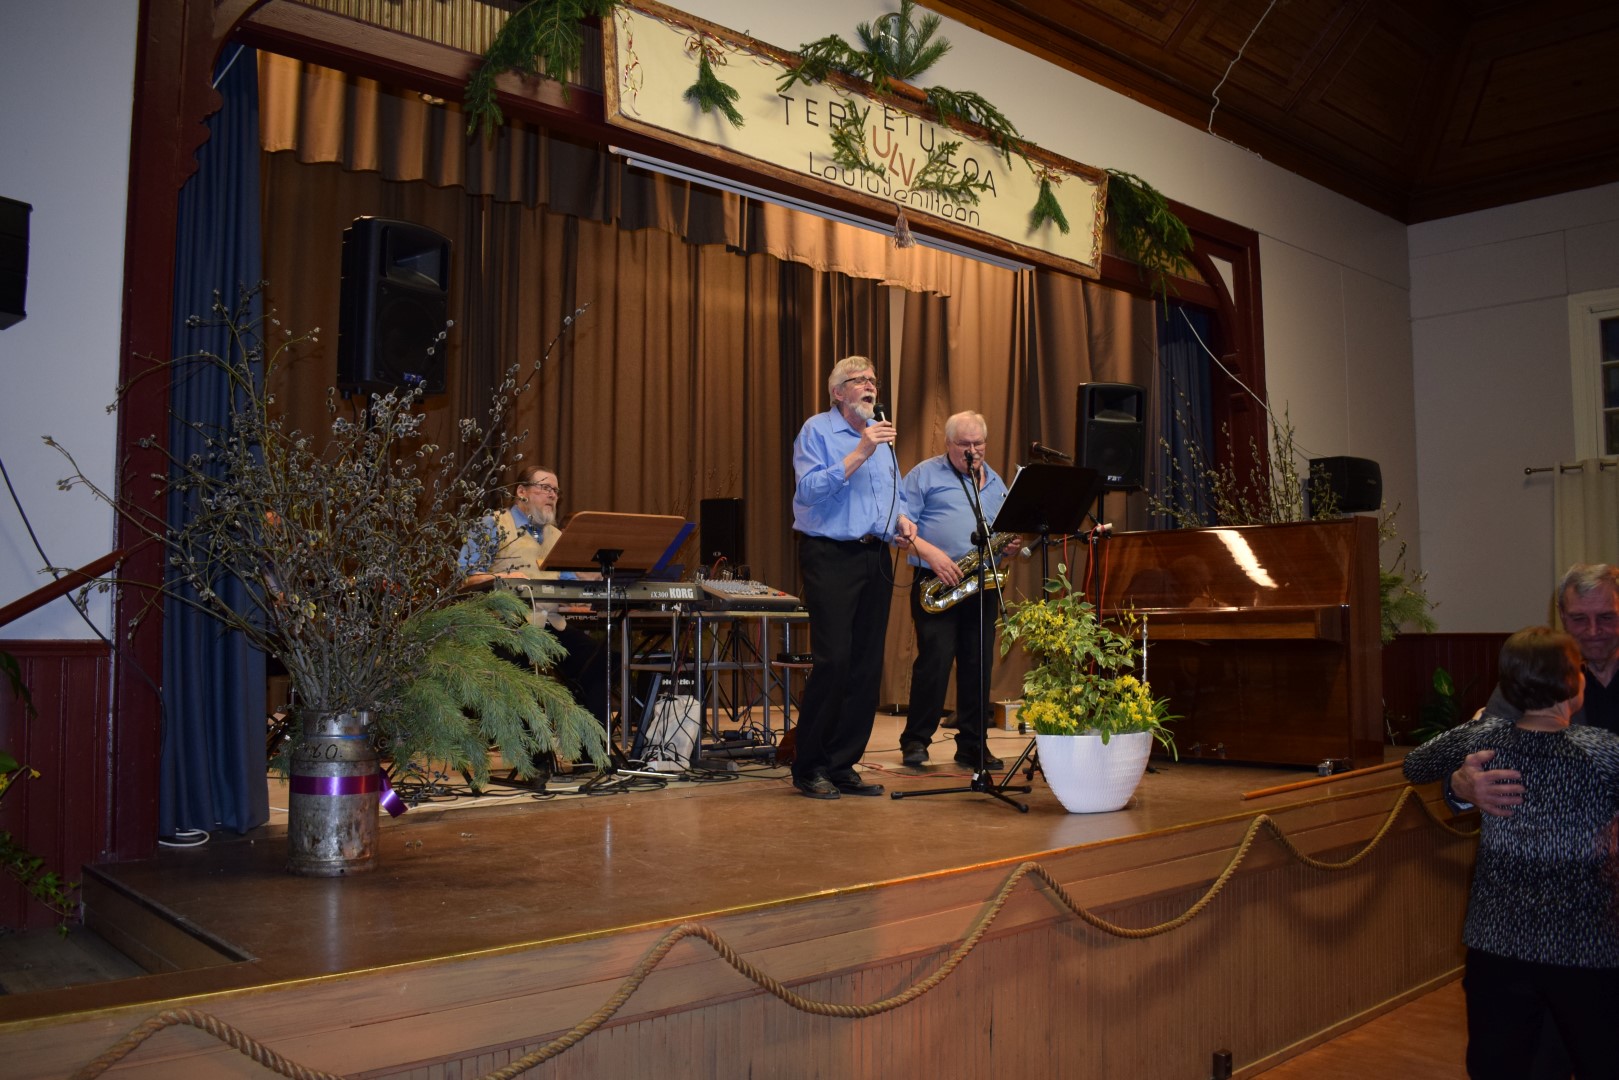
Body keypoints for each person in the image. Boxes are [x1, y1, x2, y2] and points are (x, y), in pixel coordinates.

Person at [1404, 626, 1619, 1079]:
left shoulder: (1488, 738)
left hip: (1496, 942)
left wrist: (1477, 725)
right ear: (1572, 683)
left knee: (1497, 1065)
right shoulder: (1603, 752)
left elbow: (1415, 764)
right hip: (1583, 944)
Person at [789, 355, 917, 800]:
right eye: (859, 380)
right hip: (830, 555)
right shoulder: (817, 431)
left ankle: (842, 764)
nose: (870, 386)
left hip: (875, 555)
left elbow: (894, 492)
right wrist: (861, 451)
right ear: (837, 392)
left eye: (873, 380)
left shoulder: (882, 433)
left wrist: (902, 520)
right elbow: (807, 491)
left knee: (866, 666)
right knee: (834, 661)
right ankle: (809, 766)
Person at [898, 411, 1018, 772]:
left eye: (978, 443)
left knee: (978, 664)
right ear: (948, 443)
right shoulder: (924, 475)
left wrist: (1009, 546)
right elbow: (900, 530)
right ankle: (916, 740)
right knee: (934, 661)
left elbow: (1002, 534)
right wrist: (933, 556)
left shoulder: (996, 482)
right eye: (964, 444)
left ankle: (972, 745)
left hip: (981, 584)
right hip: (936, 581)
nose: (972, 450)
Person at [1447, 564, 1619, 814]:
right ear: (1562, 616)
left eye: (1606, 617)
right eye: (1579, 619)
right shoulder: (1531, 677)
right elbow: (1466, 763)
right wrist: (1461, 786)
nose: (1593, 631)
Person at [460, 465, 608, 753]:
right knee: (517, 666)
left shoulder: (557, 536)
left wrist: (586, 579)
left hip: (548, 625)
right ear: (522, 492)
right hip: (503, 624)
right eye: (544, 488)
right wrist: (503, 578)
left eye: (556, 490)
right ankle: (532, 757)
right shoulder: (492, 525)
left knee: (596, 659)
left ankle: (591, 752)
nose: (552, 495)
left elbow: (569, 585)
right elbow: (467, 578)